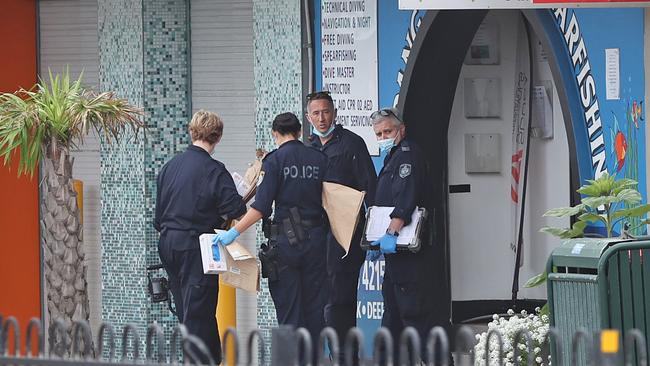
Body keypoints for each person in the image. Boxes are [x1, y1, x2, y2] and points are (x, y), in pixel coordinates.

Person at [212, 112, 329, 344]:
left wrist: (233, 232)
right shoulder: (319, 158)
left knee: (289, 313)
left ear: (275, 134)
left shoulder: (274, 161)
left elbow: (261, 208)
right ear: (299, 132)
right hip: (316, 242)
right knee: (315, 311)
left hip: (286, 244)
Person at [154, 110, 246, 364]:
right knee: (199, 310)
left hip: (168, 242)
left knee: (187, 309)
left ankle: (209, 358)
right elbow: (236, 209)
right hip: (195, 245)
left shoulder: (169, 166)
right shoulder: (214, 169)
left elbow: (158, 216)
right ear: (217, 136)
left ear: (191, 131)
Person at [305, 91, 377, 352]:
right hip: (315, 239)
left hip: (345, 237)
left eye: (326, 112)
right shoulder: (307, 149)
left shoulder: (352, 144)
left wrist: (374, 231)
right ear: (308, 116)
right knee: (319, 304)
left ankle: (346, 357)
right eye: (316, 113)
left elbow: (371, 187)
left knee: (341, 302)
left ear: (334, 113)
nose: (322, 118)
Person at [367, 107, 437, 363]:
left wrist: (390, 233)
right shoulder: (393, 157)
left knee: (416, 319)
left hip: (408, 254)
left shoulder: (408, 157)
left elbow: (406, 199)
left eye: (388, 131)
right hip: (397, 259)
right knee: (392, 320)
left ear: (401, 130)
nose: (384, 136)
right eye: (379, 133)